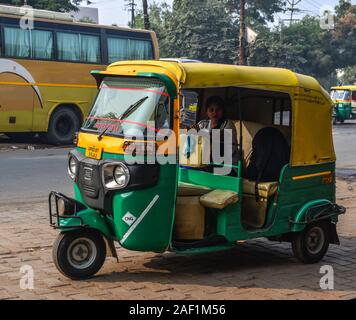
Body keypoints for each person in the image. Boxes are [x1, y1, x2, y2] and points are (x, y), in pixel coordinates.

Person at [192, 96, 239, 175]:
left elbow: (217, 136)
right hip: (208, 165)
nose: (215, 113)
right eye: (211, 110)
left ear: (223, 111)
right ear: (207, 111)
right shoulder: (203, 124)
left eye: (218, 110)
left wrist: (199, 133)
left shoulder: (228, 124)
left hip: (228, 166)